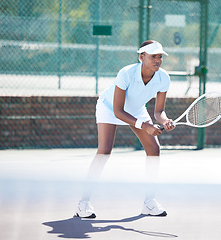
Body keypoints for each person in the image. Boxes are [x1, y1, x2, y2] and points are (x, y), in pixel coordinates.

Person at [75, 40, 175, 218]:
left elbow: (159, 112)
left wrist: (165, 120)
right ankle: (83, 203)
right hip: (110, 108)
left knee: (154, 149)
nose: (158, 60)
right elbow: (118, 111)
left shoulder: (163, 77)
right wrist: (145, 126)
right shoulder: (126, 73)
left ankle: (149, 202)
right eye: (153, 56)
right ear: (141, 57)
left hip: (136, 109)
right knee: (104, 151)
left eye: (160, 57)